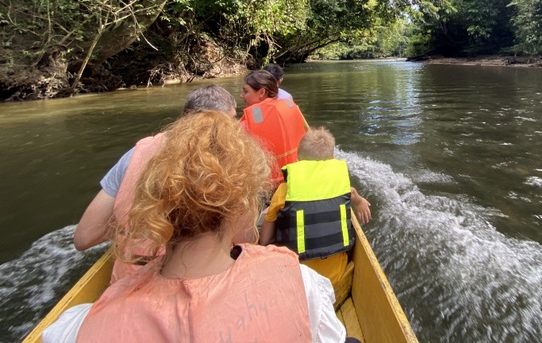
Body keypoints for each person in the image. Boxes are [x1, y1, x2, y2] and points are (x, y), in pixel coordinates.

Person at [46, 111, 348, 343]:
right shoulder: (300, 279)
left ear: (153, 207)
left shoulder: (77, 326)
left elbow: (83, 237)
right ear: (242, 208)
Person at [73, 85, 240, 281]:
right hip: (186, 279)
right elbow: (244, 238)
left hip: (128, 278)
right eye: (232, 120)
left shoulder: (134, 155)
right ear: (219, 123)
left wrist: (136, 223)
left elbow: (83, 237)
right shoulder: (225, 157)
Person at [259, 127, 372, 288]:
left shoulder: (284, 190)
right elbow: (352, 193)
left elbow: (264, 239)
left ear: (298, 160)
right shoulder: (342, 184)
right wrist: (359, 202)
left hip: (296, 278)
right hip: (335, 277)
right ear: (332, 159)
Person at [240, 70, 308, 183]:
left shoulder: (245, 124)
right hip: (297, 178)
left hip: (268, 184)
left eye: (245, 91)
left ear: (262, 92)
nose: (241, 95)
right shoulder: (292, 108)